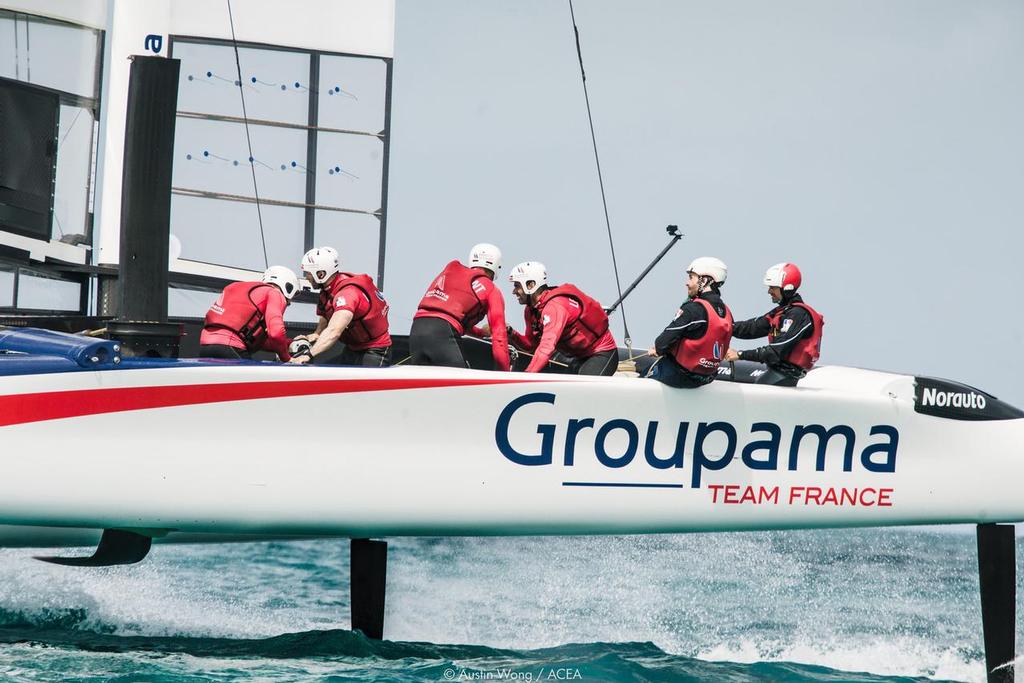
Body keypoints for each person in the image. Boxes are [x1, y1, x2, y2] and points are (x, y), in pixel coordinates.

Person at [410, 243, 510, 370]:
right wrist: (504, 374)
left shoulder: (453, 273)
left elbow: (447, 315)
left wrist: (480, 333)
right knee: (462, 387)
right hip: (443, 333)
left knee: (425, 388)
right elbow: (499, 336)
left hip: (417, 330)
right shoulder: (491, 289)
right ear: (497, 266)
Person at [507, 261, 618, 375]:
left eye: (517, 286)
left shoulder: (554, 307)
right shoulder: (531, 311)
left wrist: (527, 376)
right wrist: (510, 332)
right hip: (579, 357)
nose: (513, 291)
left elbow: (546, 347)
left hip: (601, 353)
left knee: (581, 389)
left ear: (530, 285)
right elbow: (531, 346)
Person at [724, 262, 823, 386]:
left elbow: (775, 352)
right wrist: (725, 327)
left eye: (773, 287)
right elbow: (752, 327)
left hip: (786, 376)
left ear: (787, 288)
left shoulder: (797, 314)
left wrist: (740, 354)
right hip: (778, 373)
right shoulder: (782, 312)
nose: (769, 291)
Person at [289, 246, 392, 366]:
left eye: (308, 273)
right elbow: (326, 317)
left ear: (321, 274)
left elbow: (334, 331)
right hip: (352, 349)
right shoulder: (327, 290)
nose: (306, 277)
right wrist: (315, 334)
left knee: (361, 384)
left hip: (375, 350)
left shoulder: (347, 294)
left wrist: (308, 355)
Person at [646, 257, 733, 388]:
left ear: (704, 280)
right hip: (705, 380)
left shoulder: (693, 309)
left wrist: (658, 349)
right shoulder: (726, 312)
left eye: (691, 277)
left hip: (677, 375)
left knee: (641, 378)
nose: (687, 283)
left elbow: (662, 342)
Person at [199, 265, 300, 361]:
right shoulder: (275, 293)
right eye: (290, 301)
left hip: (205, 346)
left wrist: (288, 343)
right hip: (230, 347)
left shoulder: (238, 286)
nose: (289, 302)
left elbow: (254, 340)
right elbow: (276, 334)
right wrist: (288, 358)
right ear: (288, 287)